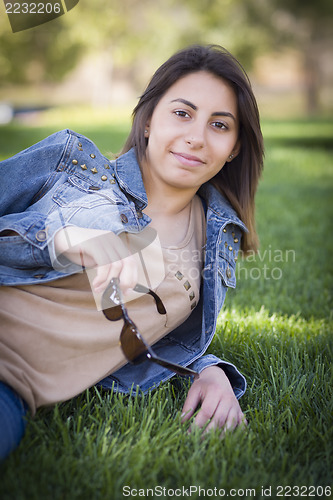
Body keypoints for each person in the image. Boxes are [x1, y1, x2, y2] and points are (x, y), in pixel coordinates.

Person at [0, 44, 264, 460]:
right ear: (147, 121)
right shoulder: (72, 167)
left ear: (234, 146)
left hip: (10, 389)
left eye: (219, 124)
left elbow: (155, 337)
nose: (196, 137)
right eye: (182, 113)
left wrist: (209, 371)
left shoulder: (216, 240)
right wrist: (62, 240)